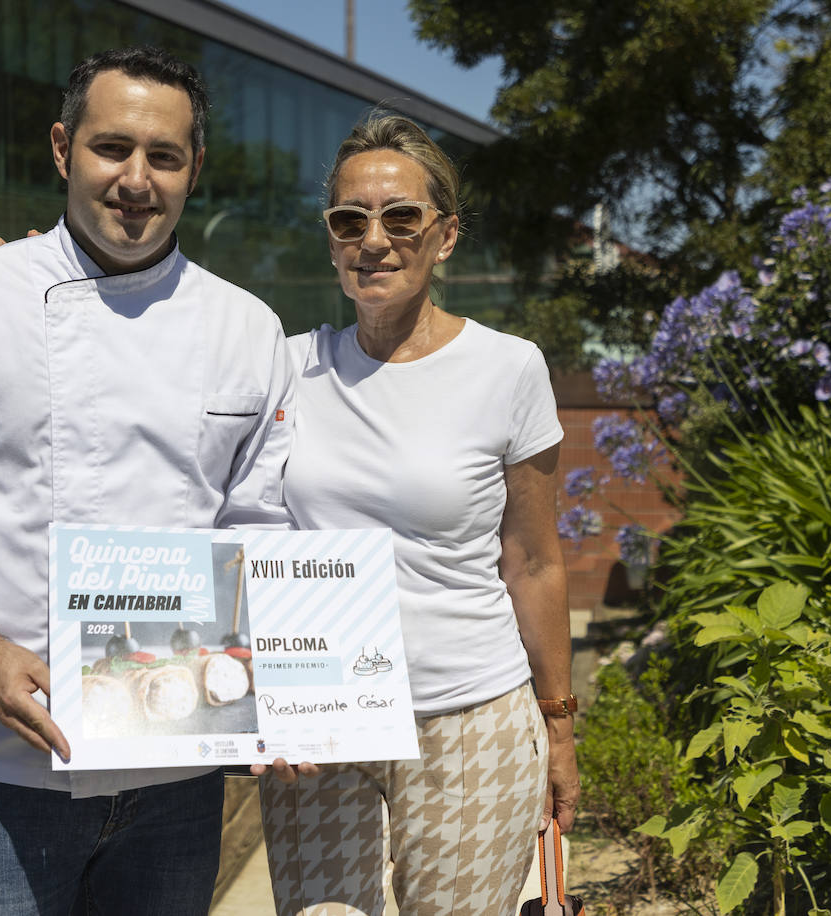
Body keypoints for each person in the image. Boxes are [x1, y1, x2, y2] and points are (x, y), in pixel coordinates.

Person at [0, 46, 295, 915]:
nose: (136, 179)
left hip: (176, 766)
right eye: (110, 148)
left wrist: (297, 690)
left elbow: (258, 525)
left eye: (163, 156)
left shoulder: (247, 325)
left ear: (194, 168)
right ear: (61, 149)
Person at [252, 112, 581, 914]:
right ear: (330, 239)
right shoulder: (283, 366)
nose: (375, 239)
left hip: (471, 714)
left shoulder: (508, 368)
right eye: (349, 219)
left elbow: (534, 562)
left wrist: (561, 727)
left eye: (402, 217)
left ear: (445, 235)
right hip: (324, 723)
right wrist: (20, 284)